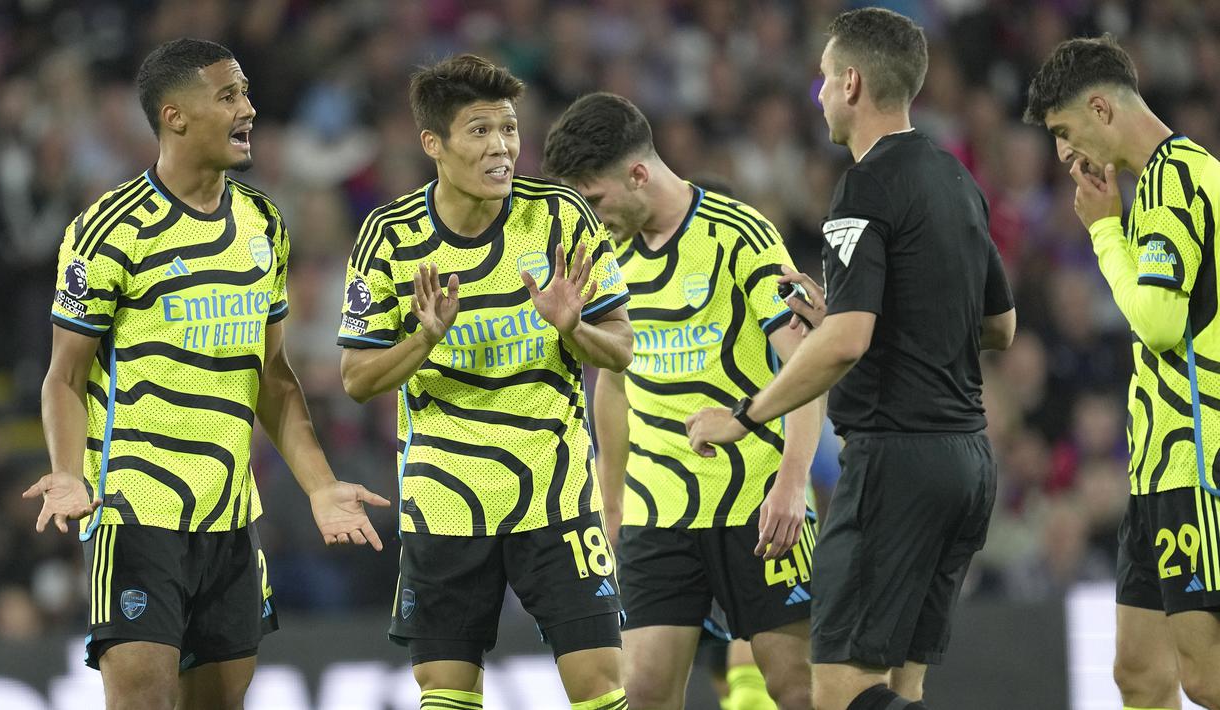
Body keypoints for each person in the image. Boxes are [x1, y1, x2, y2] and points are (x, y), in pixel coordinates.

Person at [25, 38, 388, 710]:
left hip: (229, 518)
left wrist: (320, 486)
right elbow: (64, 377)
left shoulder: (263, 224)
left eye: (245, 93)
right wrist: (70, 471)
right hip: (132, 510)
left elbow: (274, 378)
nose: (248, 108)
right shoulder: (110, 230)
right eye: (228, 95)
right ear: (175, 116)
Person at [686, 8, 1016, 710]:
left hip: (897, 462)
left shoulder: (864, 185)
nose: (816, 94)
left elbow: (845, 343)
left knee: (834, 690)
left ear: (852, 82)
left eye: (822, 79)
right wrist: (843, 311)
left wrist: (745, 416)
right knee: (899, 684)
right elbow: (999, 325)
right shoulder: (957, 181)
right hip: (966, 462)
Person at [337, 55, 633, 710]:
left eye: (508, 129)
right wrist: (425, 338)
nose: (501, 147)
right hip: (444, 500)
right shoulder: (389, 237)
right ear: (432, 144)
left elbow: (621, 349)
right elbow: (356, 379)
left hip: (554, 495)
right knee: (445, 692)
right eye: (479, 131)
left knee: (601, 686)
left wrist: (571, 328)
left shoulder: (559, 216)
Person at [543, 92, 824, 710]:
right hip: (656, 510)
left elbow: (808, 363)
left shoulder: (739, 235)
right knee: (642, 693)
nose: (590, 217)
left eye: (594, 199)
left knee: (795, 688)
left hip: (756, 499)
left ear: (638, 172)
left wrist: (793, 482)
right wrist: (611, 502)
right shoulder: (603, 258)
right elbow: (611, 384)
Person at [1025, 35, 1220, 710]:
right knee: (1138, 673)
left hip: (1195, 462)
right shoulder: (1160, 185)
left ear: (1101, 110)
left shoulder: (1175, 180)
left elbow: (1160, 325)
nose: (1062, 153)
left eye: (1063, 130)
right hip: (1155, 468)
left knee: (1206, 677)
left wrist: (1104, 235)